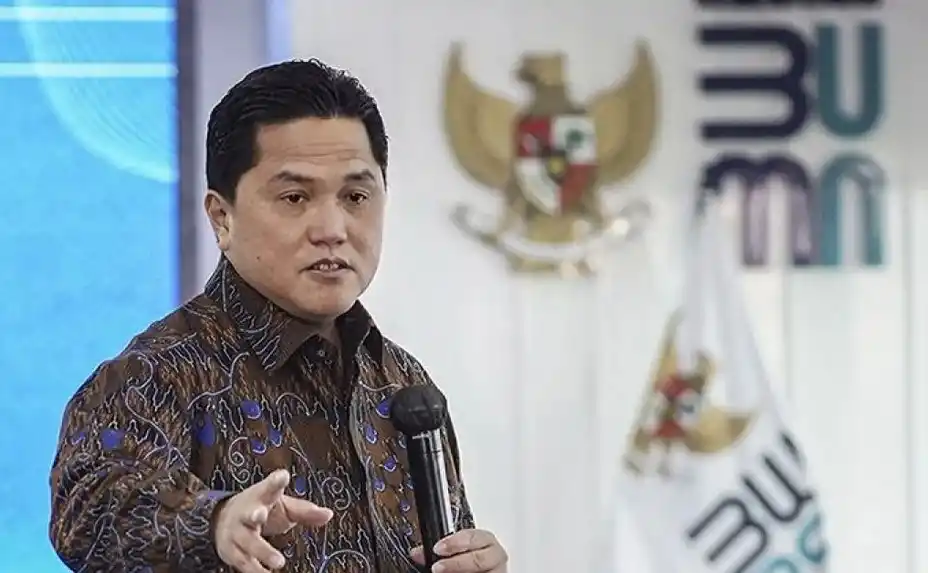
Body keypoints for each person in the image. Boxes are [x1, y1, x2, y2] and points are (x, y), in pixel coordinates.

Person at [49, 59, 508, 573]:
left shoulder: (404, 385)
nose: (332, 228)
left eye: (356, 196)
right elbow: (88, 511)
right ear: (222, 218)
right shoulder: (154, 375)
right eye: (295, 197)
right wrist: (215, 523)